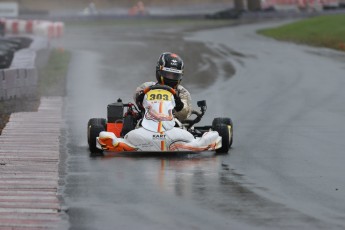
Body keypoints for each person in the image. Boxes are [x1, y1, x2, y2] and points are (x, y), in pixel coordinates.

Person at [134, 52, 192, 122]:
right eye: (168, 74)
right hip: (148, 121)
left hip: (173, 125)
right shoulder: (147, 87)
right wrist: (141, 97)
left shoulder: (182, 92)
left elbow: (184, 114)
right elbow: (137, 99)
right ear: (159, 72)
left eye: (174, 75)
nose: (171, 78)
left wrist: (178, 104)